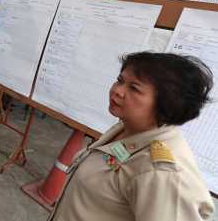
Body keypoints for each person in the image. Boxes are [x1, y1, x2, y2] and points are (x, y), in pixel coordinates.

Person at [48, 52, 215, 221]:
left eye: (134, 88)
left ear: (167, 103)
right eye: (120, 80)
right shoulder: (128, 128)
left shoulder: (162, 174)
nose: (117, 91)